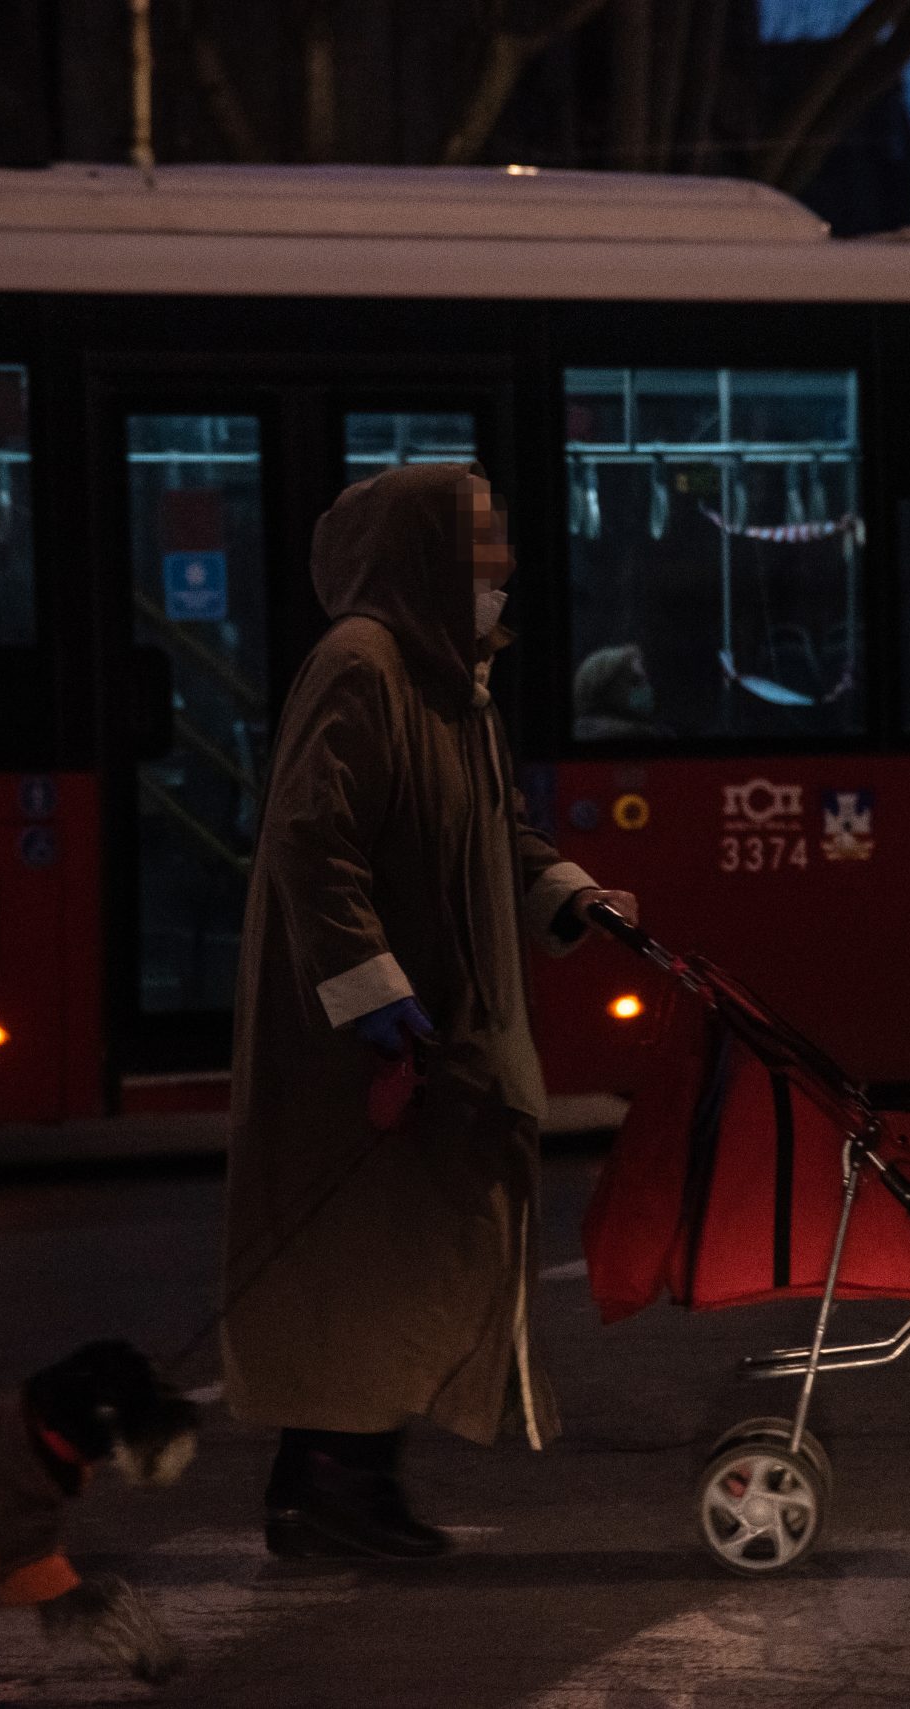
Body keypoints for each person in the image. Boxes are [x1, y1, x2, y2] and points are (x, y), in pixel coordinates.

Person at [222, 462, 637, 1560]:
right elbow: (315, 842)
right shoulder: (361, 667)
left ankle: (339, 1480)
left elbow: (491, 833)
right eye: (481, 541)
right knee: (362, 1263)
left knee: (397, 1261)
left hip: (419, 1032)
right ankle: (329, 1487)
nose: (501, 564)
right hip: (361, 1051)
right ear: (421, 552)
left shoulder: (448, 678)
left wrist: (570, 893)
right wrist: (373, 997)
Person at [571, 642, 667, 741]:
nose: (646, 688)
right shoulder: (637, 734)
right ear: (607, 688)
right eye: (635, 681)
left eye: (645, 680)